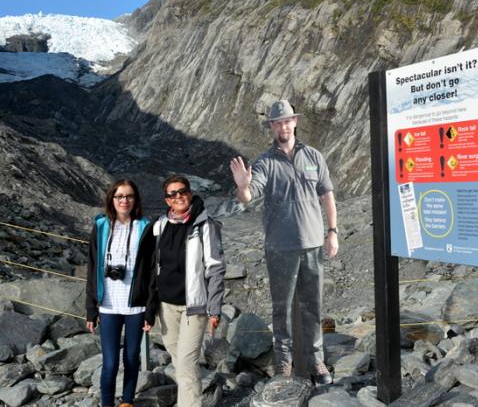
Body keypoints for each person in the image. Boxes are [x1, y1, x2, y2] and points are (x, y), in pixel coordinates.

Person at [229, 99, 338, 385]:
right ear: (272, 127)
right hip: (280, 248)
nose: (283, 127)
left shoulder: (314, 156)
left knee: (312, 305)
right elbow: (249, 196)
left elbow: (327, 194)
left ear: (295, 122)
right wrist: (242, 187)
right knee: (282, 307)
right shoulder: (265, 162)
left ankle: (316, 361)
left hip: (314, 243)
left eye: (287, 121)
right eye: (277, 123)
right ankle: (285, 362)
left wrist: (333, 231)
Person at [145, 175, 226, 407]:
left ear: (190, 193)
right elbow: (152, 268)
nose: (178, 196)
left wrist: (214, 309)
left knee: (187, 363)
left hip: (194, 307)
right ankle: (192, 397)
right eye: (173, 194)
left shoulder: (205, 225)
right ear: (167, 200)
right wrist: (149, 308)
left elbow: (216, 269)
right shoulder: (160, 225)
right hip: (165, 306)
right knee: (180, 361)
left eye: (182, 191)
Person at [85, 179, 155, 407]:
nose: (124, 200)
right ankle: (107, 404)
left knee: (132, 358)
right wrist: (90, 309)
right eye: (119, 196)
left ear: (135, 200)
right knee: (110, 363)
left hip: (135, 305)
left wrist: (150, 310)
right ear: (111, 200)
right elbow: (92, 267)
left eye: (129, 196)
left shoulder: (145, 227)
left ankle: (127, 401)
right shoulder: (101, 226)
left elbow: (153, 271)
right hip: (107, 304)